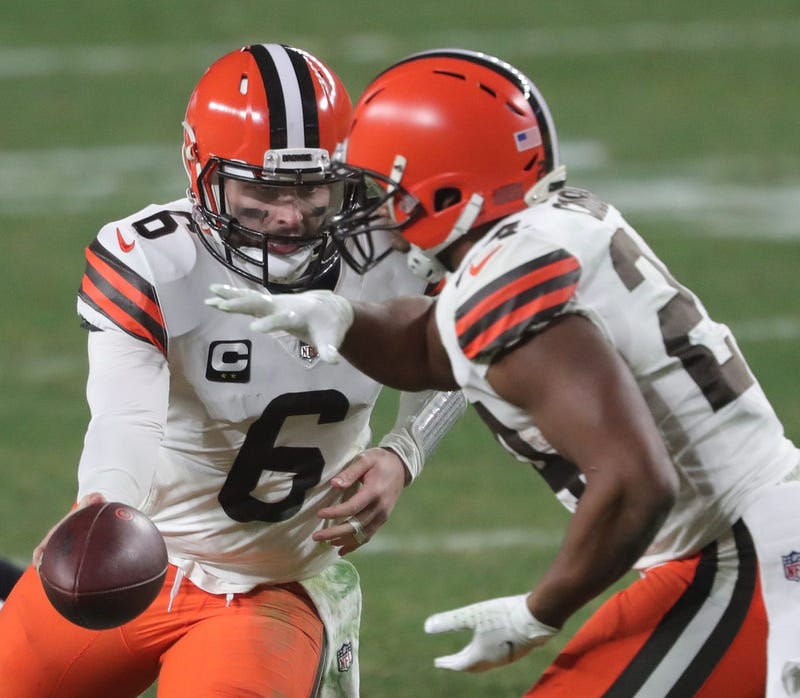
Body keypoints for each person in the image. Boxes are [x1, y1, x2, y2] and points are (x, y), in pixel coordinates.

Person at [206, 48, 800, 697]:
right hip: (736, 542)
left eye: (389, 189)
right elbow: (431, 350)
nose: (374, 210)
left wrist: (537, 612)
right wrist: (343, 316)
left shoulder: (503, 286)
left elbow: (636, 482)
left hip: (745, 560)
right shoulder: (555, 221)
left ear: (445, 189)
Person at [0, 44, 465, 698]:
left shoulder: (394, 248)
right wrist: (104, 507)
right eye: (264, 190)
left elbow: (465, 350)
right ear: (203, 174)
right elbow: (125, 416)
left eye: (311, 187)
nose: (290, 214)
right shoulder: (158, 258)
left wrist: (404, 451)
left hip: (271, 589)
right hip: (143, 555)